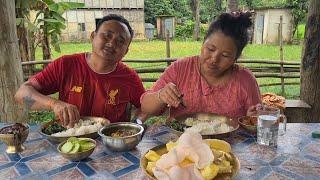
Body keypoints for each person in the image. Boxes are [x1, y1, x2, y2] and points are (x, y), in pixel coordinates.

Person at [15, 14, 146, 127]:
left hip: (112, 145)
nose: (111, 43)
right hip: (69, 142)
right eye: (107, 36)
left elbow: (145, 107)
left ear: (126, 51)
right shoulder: (65, 65)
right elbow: (21, 96)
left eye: (120, 41)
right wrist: (53, 104)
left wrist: (135, 124)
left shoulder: (129, 77)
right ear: (93, 36)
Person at [141, 12, 261, 119]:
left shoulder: (245, 80)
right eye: (210, 49)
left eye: (225, 55)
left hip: (231, 143)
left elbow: (255, 119)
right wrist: (160, 96)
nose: (214, 59)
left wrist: (254, 118)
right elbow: (146, 107)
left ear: (235, 58)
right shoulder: (181, 69)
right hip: (182, 141)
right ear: (203, 43)